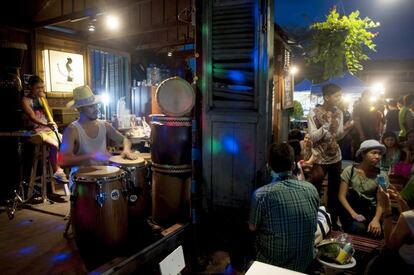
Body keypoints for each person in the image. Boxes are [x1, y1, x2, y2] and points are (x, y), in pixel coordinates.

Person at [249, 143, 319, 272]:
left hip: (272, 265)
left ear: (268, 166)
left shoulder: (261, 195)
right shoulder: (311, 189)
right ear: (293, 165)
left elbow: (252, 227)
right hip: (305, 263)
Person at [59, 85, 137, 187]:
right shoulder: (72, 130)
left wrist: (126, 150)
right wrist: (91, 156)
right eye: (91, 106)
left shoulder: (104, 125)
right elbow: (63, 160)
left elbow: (125, 140)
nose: (96, 109)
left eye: (96, 105)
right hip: (82, 182)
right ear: (79, 109)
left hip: (105, 178)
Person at [308, 83, 353, 228]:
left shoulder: (339, 112)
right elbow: (314, 137)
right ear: (327, 97)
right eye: (337, 96)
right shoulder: (313, 113)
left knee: (334, 190)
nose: (340, 98)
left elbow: (337, 136)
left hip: (335, 156)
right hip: (319, 157)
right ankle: (312, 218)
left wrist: (346, 129)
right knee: (315, 187)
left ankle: (333, 221)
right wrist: (326, 126)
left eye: (340, 95)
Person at [21, 75, 68, 182]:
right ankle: (58, 172)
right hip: (35, 131)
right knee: (54, 144)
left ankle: (65, 169)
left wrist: (45, 101)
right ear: (30, 87)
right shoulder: (25, 101)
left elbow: (49, 114)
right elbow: (32, 118)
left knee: (65, 141)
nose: (41, 90)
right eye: (38, 88)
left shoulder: (42, 99)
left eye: (42, 87)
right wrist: (47, 125)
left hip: (47, 130)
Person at [338, 140, 387, 237]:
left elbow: (382, 200)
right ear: (363, 154)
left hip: (370, 211)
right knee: (358, 228)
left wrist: (376, 219)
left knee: (376, 233)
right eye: (374, 153)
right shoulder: (350, 171)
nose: (377, 157)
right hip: (351, 209)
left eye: (379, 154)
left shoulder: (381, 175)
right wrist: (353, 213)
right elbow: (341, 196)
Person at [365, 187, 414, 275]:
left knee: (376, 258)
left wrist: (387, 209)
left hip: (404, 265)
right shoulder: (409, 217)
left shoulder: (408, 217)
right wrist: (400, 200)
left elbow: (389, 246)